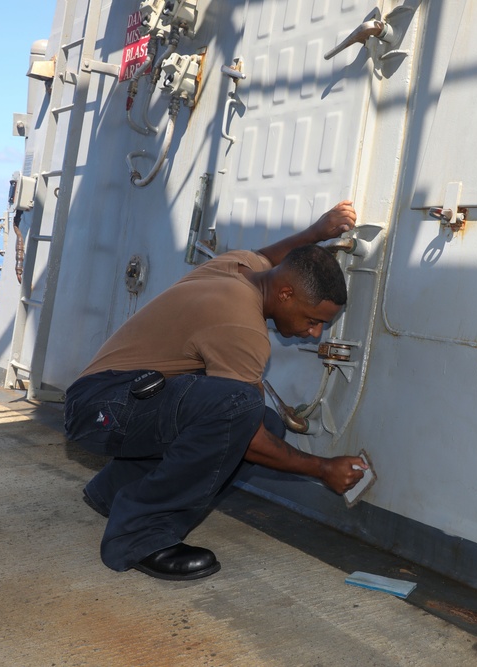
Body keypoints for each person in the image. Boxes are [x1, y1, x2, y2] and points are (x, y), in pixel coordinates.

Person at [63, 201, 367, 581]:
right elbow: (247, 435)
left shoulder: (239, 269)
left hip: (105, 398)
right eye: (313, 320)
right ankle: (139, 535)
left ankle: (114, 492)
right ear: (286, 294)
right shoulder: (243, 330)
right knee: (240, 410)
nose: (313, 332)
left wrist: (317, 233)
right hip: (101, 410)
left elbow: (270, 257)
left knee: (262, 420)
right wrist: (322, 469)